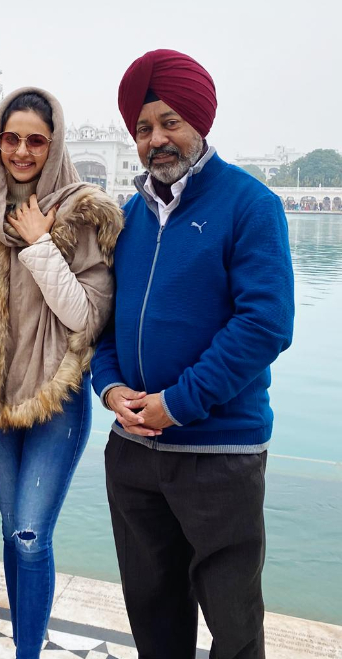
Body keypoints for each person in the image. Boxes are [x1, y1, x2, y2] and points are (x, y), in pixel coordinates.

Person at [91, 49, 295, 659]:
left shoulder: (249, 205)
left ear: (200, 122)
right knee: (153, 618)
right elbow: (103, 323)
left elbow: (264, 326)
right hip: (133, 452)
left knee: (233, 627)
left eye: (170, 122)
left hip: (218, 452)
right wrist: (109, 386)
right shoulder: (129, 217)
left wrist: (177, 404)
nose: (157, 138)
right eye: (144, 127)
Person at [0, 88, 123, 659]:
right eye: (11, 139)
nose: (22, 151)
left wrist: (40, 245)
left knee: (31, 536)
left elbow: (85, 317)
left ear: (53, 144)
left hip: (56, 398)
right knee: (10, 530)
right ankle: (21, 640)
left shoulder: (86, 211)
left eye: (36, 140)